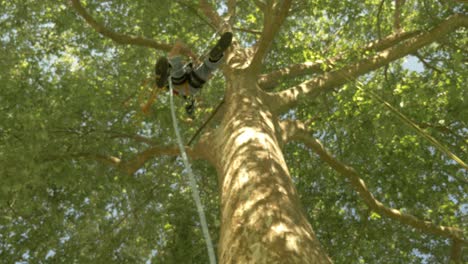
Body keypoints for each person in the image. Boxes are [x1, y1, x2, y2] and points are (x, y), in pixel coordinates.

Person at [154, 32, 233, 116]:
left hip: (185, 84)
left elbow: (209, 76)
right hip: (188, 83)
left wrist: (193, 58)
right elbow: (209, 76)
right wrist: (192, 55)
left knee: (204, 68)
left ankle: (214, 58)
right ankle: (213, 58)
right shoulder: (188, 67)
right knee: (205, 68)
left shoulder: (186, 69)